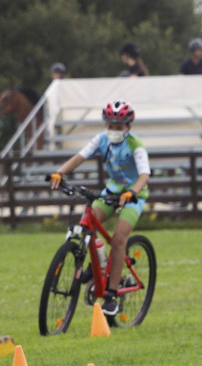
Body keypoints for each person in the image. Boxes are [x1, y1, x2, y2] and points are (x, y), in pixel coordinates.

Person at [48, 101, 150, 316]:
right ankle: (96, 266)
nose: (113, 131)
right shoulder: (101, 139)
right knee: (87, 222)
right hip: (112, 191)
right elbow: (80, 157)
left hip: (133, 195)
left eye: (118, 127)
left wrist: (132, 192)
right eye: (110, 126)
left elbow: (144, 175)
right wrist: (60, 173)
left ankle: (111, 294)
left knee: (120, 238)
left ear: (128, 127)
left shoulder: (135, 144)